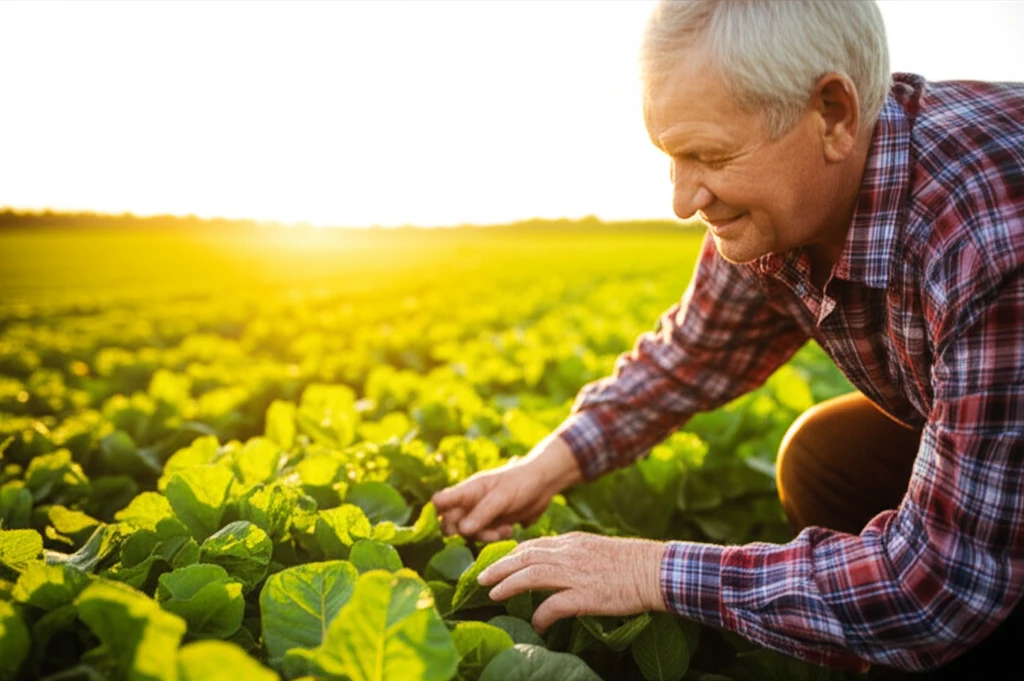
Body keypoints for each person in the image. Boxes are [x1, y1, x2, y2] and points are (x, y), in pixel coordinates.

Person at [431, 0, 1024, 676]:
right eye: (672, 156)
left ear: (832, 113)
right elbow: (692, 354)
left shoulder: (989, 234)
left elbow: (940, 583)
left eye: (707, 154)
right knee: (824, 457)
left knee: (957, 593)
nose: (682, 201)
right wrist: (543, 466)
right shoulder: (785, 202)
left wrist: (653, 569)